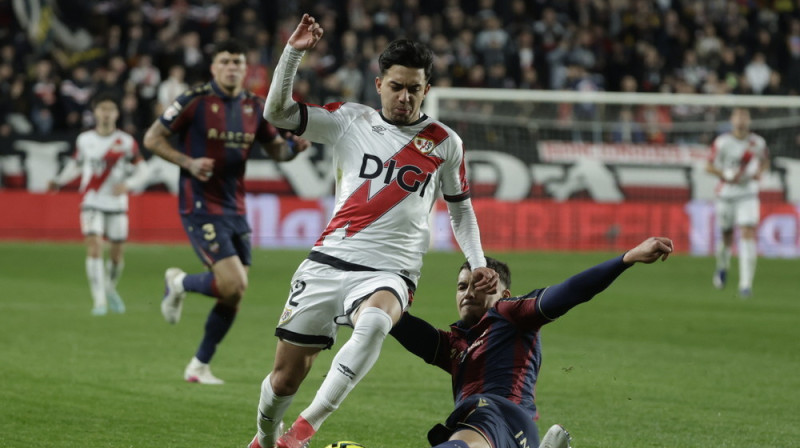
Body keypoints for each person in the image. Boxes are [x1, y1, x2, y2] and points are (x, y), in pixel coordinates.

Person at [249, 14, 498, 448]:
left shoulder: (444, 142)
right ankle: (264, 440)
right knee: (286, 377)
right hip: (327, 261)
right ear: (379, 82)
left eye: (415, 89)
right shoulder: (349, 120)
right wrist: (293, 54)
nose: (405, 97)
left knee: (378, 320)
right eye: (397, 86)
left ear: (427, 90)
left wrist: (477, 263)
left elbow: (461, 210)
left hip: (391, 270)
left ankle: (304, 429)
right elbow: (277, 112)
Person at [390, 236, 674, 448]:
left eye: (480, 284)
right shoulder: (454, 344)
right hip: (498, 429)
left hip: (499, 415)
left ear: (505, 294)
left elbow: (570, 291)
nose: (468, 292)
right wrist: (359, 297)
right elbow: (392, 319)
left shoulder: (509, 313)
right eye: (462, 286)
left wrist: (626, 258)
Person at [143, 39, 310, 385]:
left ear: (245, 68)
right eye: (225, 61)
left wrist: (294, 148)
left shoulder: (254, 106)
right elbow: (152, 138)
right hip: (200, 204)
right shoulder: (194, 100)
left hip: (236, 206)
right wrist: (188, 161)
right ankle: (178, 282)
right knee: (233, 284)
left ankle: (199, 365)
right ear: (214, 67)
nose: (232, 67)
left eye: (238, 61)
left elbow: (276, 150)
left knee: (234, 292)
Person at [48, 92, 148, 315]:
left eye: (110, 109)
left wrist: (129, 184)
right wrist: (58, 180)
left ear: (116, 114)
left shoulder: (126, 141)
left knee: (116, 254)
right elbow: (75, 165)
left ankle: (110, 288)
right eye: (102, 109)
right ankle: (99, 301)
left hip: (117, 202)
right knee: (94, 247)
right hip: (92, 200)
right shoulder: (85, 140)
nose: (106, 114)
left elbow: (143, 169)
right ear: (95, 113)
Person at [705, 107, 769, 298]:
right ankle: (722, 266)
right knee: (726, 236)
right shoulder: (722, 142)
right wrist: (725, 174)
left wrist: (759, 172)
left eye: (744, 117)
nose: (741, 120)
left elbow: (765, 161)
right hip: (726, 195)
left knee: (748, 233)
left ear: (749, 120)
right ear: (732, 120)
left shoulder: (757, 143)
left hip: (748, 194)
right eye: (738, 117)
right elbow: (709, 166)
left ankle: (745, 285)